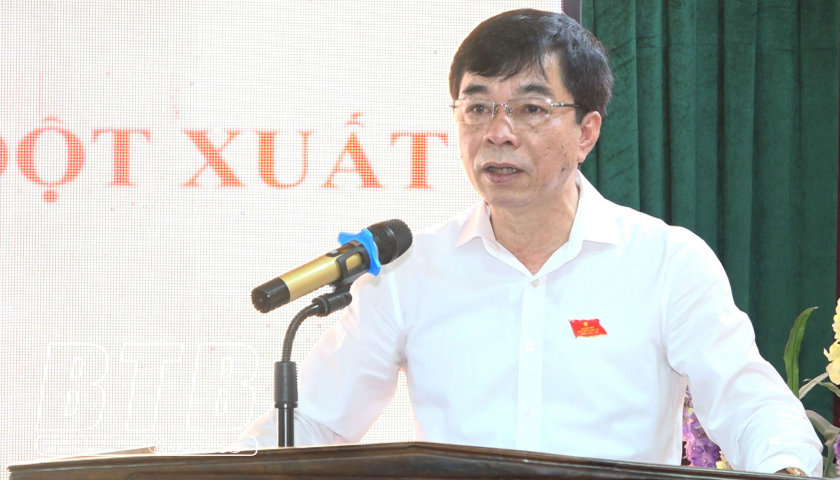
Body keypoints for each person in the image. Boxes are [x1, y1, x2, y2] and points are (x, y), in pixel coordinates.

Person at [243, 9, 822, 476]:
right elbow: (316, 423)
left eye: (530, 108)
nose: (498, 132)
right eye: (477, 108)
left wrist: (787, 467)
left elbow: (748, 402)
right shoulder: (409, 271)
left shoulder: (666, 262)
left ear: (586, 132)